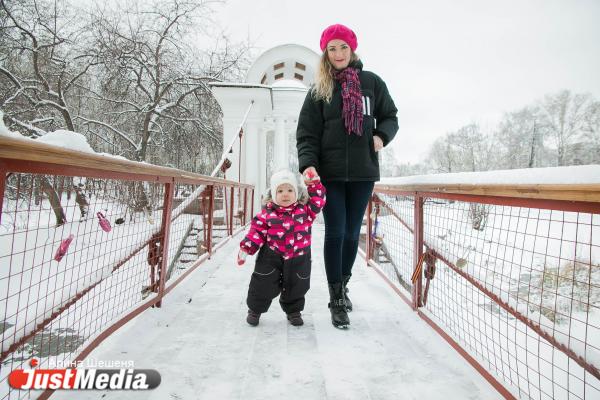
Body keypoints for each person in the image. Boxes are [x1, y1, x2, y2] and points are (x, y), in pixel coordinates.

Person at [296, 23, 398, 328]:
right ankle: (336, 297)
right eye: (331, 48)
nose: (338, 54)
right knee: (336, 231)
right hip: (330, 173)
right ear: (325, 53)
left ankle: (343, 283)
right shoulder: (320, 89)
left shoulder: (372, 83)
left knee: (353, 233)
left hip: (364, 171)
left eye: (343, 47)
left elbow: (391, 115)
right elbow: (307, 133)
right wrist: (308, 164)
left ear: (351, 49)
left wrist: (381, 135)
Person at [237, 169, 326, 326]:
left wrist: (314, 185)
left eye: (290, 190)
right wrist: (246, 248)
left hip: (299, 256)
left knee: (297, 285)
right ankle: (255, 309)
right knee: (262, 283)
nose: (285, 194)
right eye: (280, 190)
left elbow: (318, 200)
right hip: (272, 256)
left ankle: (294, 311)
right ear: (273, 194)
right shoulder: (267, 214)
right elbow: (256, 232)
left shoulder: (306, 211)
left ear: (297, 193)